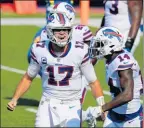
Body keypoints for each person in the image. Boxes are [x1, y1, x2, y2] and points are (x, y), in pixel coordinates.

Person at [7, 12, 104, 127]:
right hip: (47, 103)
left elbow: (93, 82)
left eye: (66, 29)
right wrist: (15, 99)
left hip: (72, 104)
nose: (62, 33)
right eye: (58, 29)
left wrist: (103, 107)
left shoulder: (80, 51)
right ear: (49, 31)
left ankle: (89, 114)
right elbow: (28, 77)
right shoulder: (39, 50)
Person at [88, 26, 143, 127]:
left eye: (99, 44)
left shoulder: (123, 63)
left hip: (131, 120)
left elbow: (127, 95)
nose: (96, 47)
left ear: (111, 45)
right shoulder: (111, 58)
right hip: (114, 115)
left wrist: (101, 109)